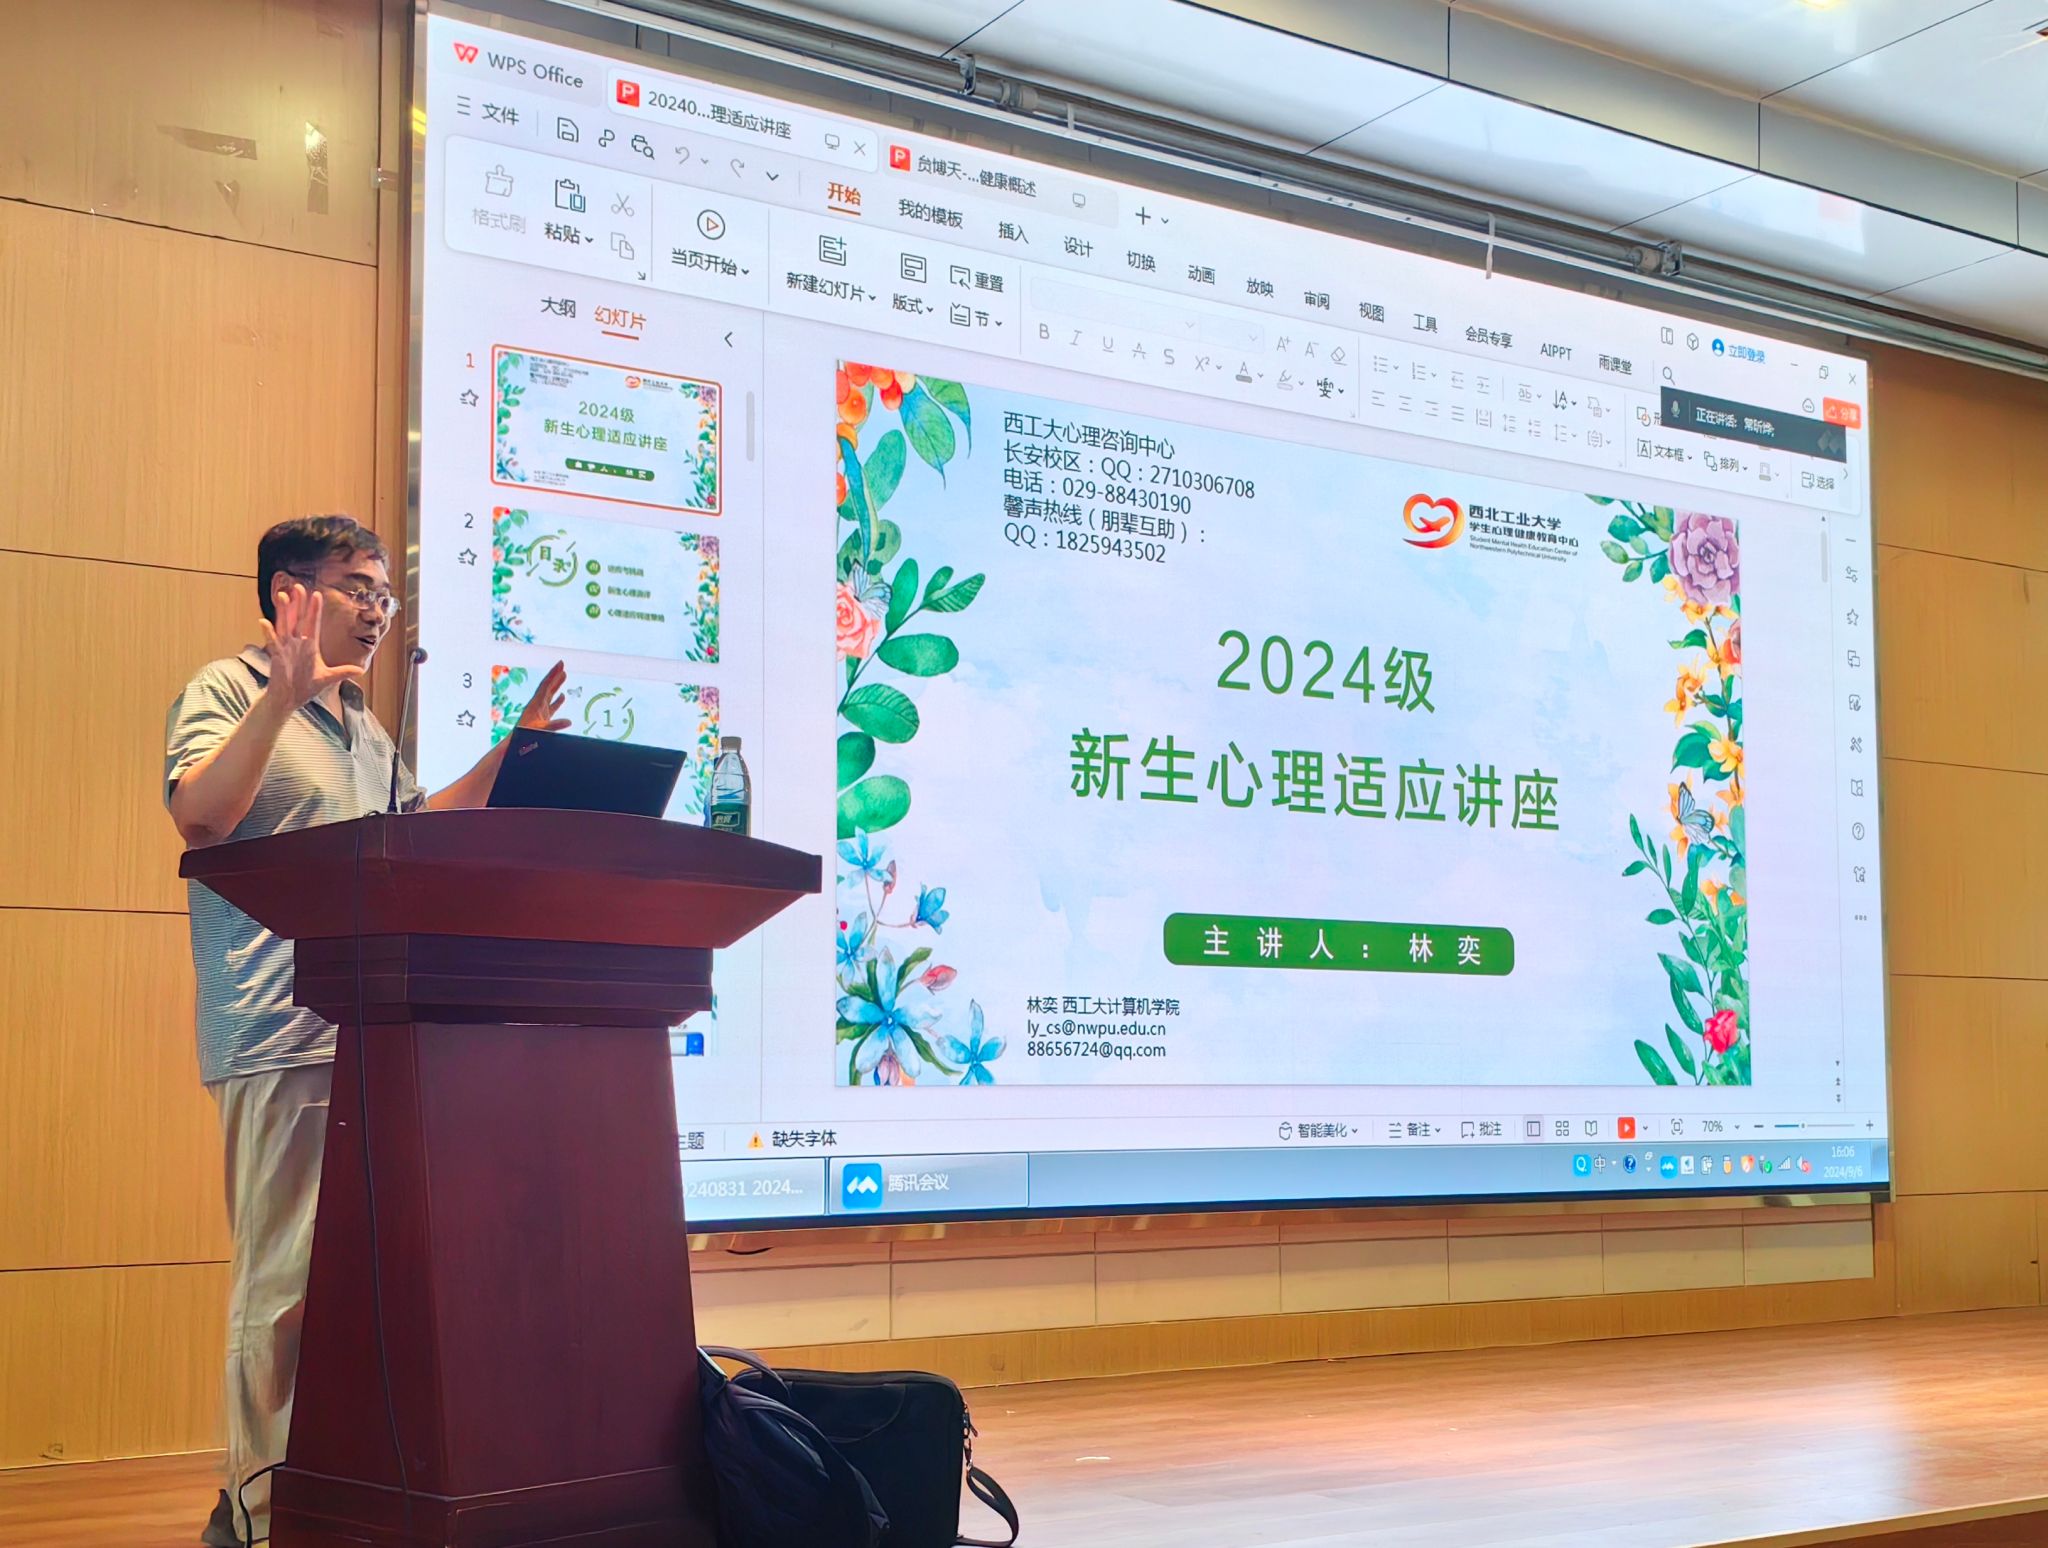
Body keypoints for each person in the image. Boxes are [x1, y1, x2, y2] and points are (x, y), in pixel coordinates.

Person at [164, 515, 568, 1546]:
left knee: (359, 1289)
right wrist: (280, 698)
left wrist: (513, 754)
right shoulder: (226, 687)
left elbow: (412, 830)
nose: (380, 611)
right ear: (289, 594)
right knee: (283, 1287)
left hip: (375, 1026)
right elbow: (201, 815)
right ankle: (255, 1517)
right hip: (278, 1028)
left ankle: (331, 1498)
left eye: (385, 593)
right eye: (357, 588)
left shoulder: (359, 722)